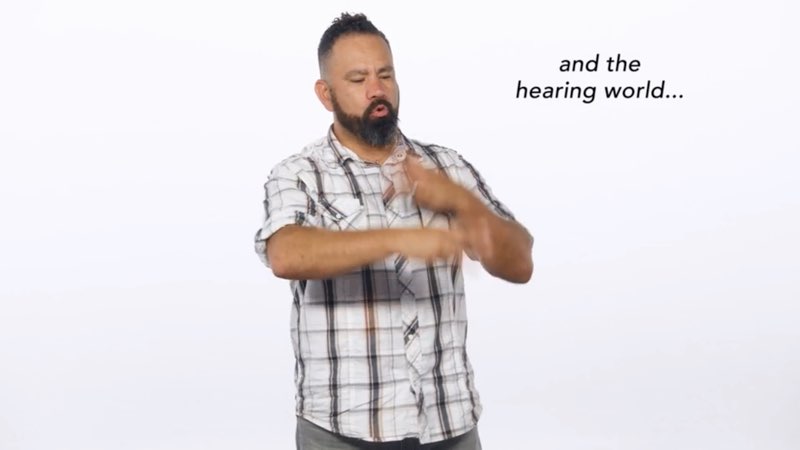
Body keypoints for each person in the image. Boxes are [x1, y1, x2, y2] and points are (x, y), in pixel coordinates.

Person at [254, 12, 534, 450]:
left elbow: (520, 262)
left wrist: (461, 202)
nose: (376, 89)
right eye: (358, 78)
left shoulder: (446, 166)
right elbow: (287, 255)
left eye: (385, 74)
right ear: (325, 94)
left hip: (449, 424)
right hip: (341, 432)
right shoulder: (298, 174)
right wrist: (397, 238)